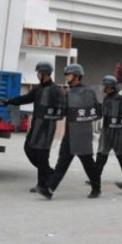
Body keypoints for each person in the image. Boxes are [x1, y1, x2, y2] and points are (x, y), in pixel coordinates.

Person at [37, 64, 102, 200]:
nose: (66, 77)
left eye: (69, 74)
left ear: (77, 76)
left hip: (82, 133)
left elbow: (95, 110)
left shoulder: (87, 91)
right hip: (70, 133)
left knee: (88, 162)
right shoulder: (68, 92)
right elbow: (65, 111)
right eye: (66, 74)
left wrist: (68, 98)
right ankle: (49, 189)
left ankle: (96, 188)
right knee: (62, 162)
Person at [3, 62, 64, 193]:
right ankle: (51, 173)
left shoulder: (55, 90)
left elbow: (61, 109)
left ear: (45, 74)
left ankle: (42, 185)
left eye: (38, 73)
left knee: (42, 156)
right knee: (28, 149)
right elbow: (26, 98)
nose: (37, 75)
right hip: (36, 126)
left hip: (47, 128)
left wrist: (51, 116)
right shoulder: (38, 89)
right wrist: (9, 101)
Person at [96, 75, 122, 179]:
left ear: (109, 86)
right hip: (108, 130)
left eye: (104, 85)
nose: (102, 87)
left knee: (120, 155)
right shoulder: (108, 98)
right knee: (102, 154)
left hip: (116, 131)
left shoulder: (118, 99)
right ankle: (95, 176)